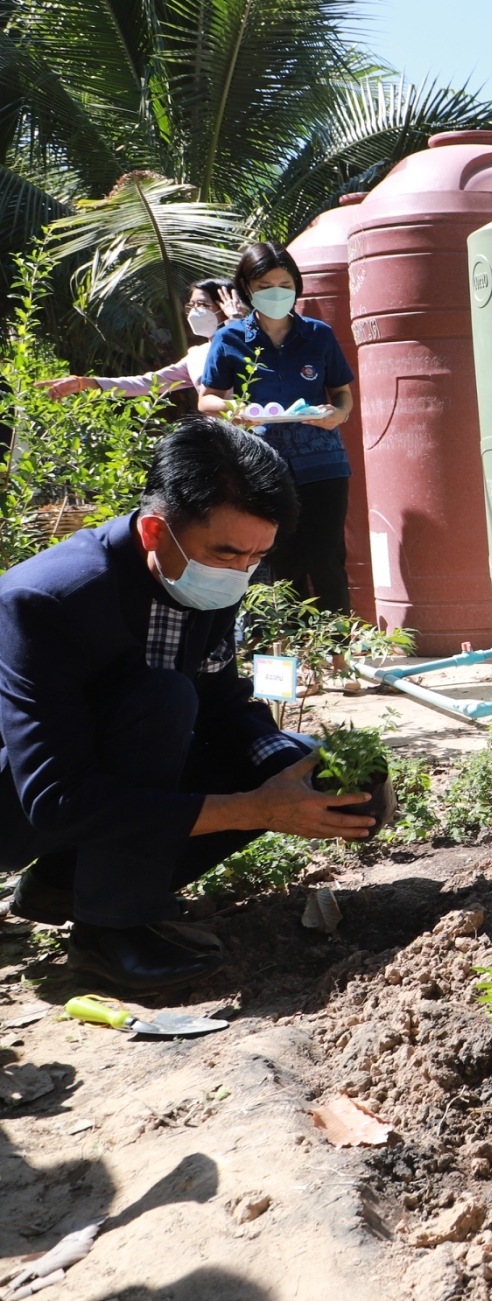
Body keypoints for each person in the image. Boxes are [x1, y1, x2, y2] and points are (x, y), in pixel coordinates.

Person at [0, 418, 375, 995]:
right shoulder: (48, 601)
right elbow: (56, 799)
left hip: (83, 786)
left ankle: (66, 884)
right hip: (20, 802)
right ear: (154, 532)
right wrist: (258, 810)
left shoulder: (200, 576)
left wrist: (304, 768)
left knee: (278, 758)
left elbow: (224, 707)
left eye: (256, 558)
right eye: (227, 554)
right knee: (162, 699)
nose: (240, 574)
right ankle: (108, 936)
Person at [200, 242, 355, 612]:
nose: (276, 293)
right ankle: (290, 651)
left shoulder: (318, 334)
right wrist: (235, 410)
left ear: (297, 286)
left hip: (324, 461)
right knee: (279, 558)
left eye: (285, 284)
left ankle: (336, 651)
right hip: (263, 464)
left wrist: (338, 414)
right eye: (266, 285)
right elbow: (207, 399)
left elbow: (343, 394)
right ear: (247, 287)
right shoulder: (230, 337)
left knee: (326, 555)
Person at [36, 279, 242, 415]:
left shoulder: (254, 342)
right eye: (191, 306)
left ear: (225, 307)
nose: (195, 312)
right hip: (221, 441)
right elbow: (147, 383)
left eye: (203, 305)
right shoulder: (197, 356)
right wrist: (84, 383)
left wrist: (235, 321)